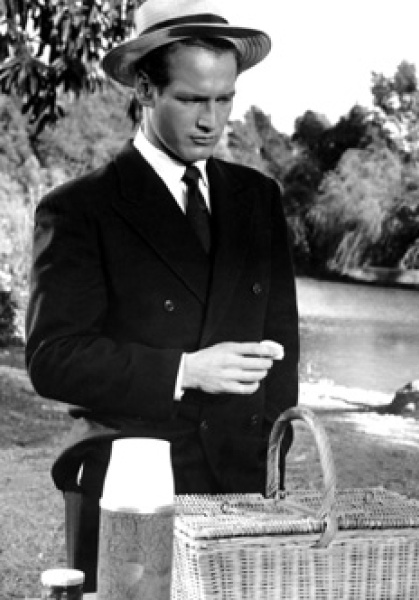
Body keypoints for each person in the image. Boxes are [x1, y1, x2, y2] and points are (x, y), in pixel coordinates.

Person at [24, 0, 299, 591]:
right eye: (192, 99)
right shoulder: (80, 209)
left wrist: (270, 461)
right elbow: (52, 358)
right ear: (145, 90)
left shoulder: (259, 198)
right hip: (131, 489)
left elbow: (283, 350)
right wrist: (185, 370)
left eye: (224, 99)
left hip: (243, 493)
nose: (211, 120)